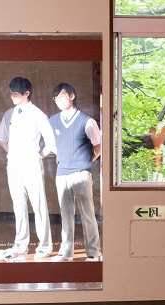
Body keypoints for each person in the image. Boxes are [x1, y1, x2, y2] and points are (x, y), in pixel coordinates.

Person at [0, 77, 56, 260]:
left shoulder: (37, 114)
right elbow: (1, 138)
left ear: (26, 93)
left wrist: (40, 155)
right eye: (11, 93)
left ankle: (45, 246)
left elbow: (51, 141)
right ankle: (21, 245)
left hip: (31, 164)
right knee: (18, 205)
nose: (12, 96)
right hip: (14, 164)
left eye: (15, 93)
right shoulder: (9, 114)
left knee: (38, 205)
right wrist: (12, 152)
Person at [48, 83, 101, 261]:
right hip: (62, 172)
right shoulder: (53, 120)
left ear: (72, 96)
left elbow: (98, 146)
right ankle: (66, 252)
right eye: (56, 98)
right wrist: (64, 156)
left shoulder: (87, 121)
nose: (59, 100)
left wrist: (86, 160)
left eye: (62, 96)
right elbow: (52, 144)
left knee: (87, 213)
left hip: (81, 173)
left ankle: (93, 252)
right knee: (65, 214)